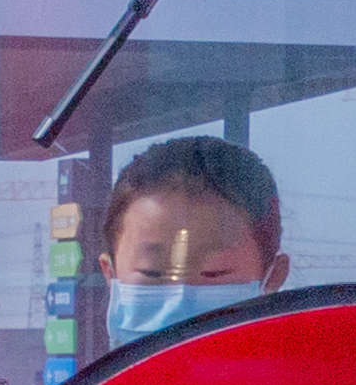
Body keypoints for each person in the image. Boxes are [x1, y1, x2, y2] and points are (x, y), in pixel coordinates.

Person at [96, 135, 290, 347]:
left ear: (273, 277)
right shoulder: (95, 381)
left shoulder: (307, 379)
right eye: (151, 272)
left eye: (214, 272)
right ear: (110, 272)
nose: (178, 302)